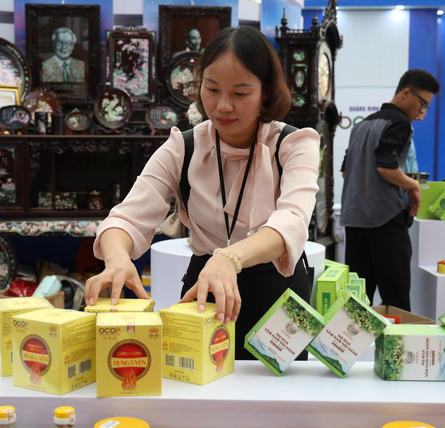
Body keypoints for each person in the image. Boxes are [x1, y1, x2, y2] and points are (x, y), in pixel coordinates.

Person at [84, 26, 320, 360]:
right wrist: (118, 258)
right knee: (197, 395)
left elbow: (292, 221)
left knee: (278, 404)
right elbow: (127, 216)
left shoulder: (293, 144)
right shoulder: (184, 147)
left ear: (265, 92)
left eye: (240, 93)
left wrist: (229, 257)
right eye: (211, 89)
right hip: (204, 292)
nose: (223, 105)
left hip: (278, 296)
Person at [340, 69, 440, 311]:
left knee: (356, 303)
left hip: (355, 222)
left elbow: (345, 171)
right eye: (423, 103)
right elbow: (386, 168)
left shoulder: (362, 125)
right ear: (406, 93)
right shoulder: (399, 123)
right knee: (395, 302)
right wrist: (414, 185)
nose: (423, 112)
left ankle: (358, 349)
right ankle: (396, 350)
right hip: (385, 220)